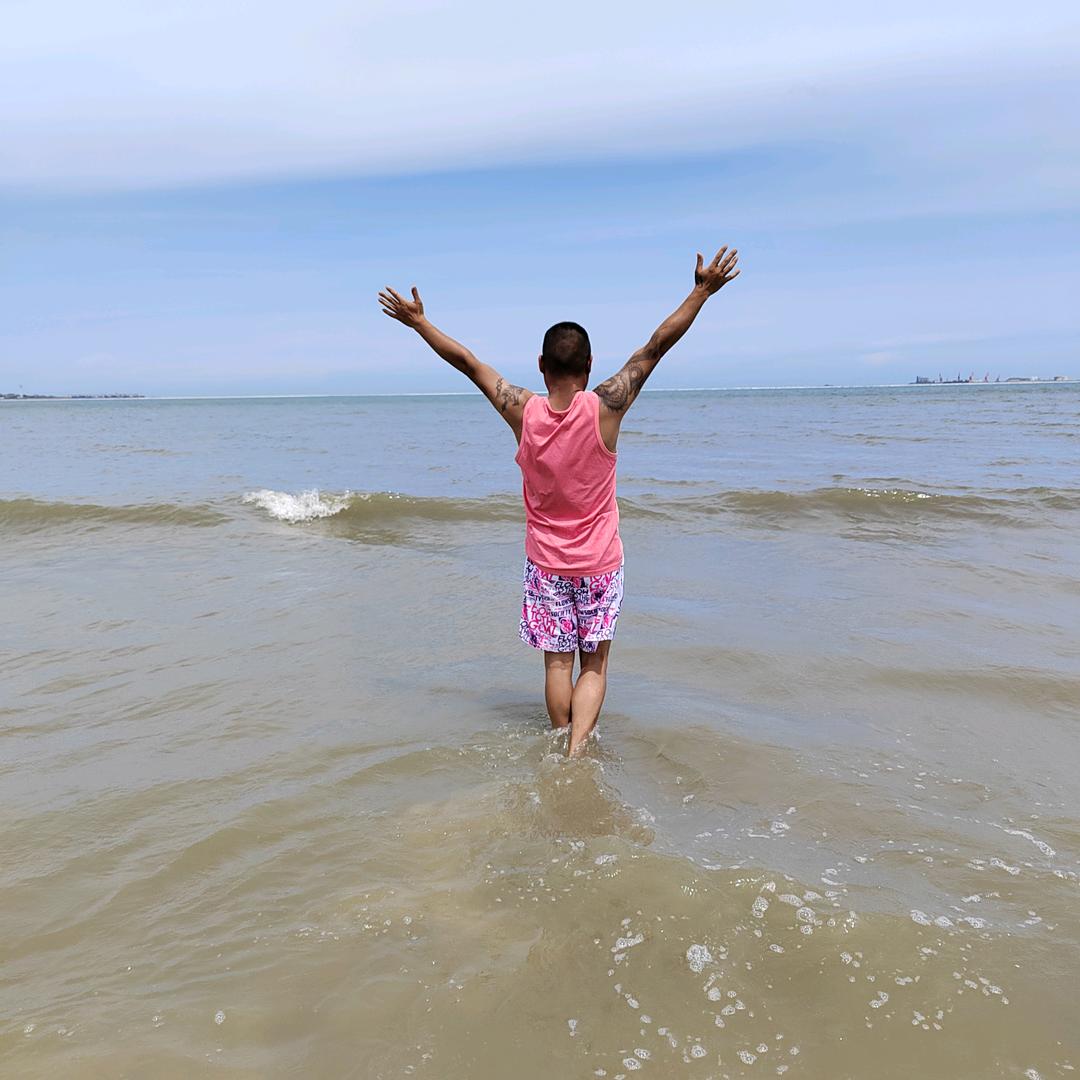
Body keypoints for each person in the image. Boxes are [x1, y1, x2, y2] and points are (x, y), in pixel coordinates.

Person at [378, 246, 741, 754]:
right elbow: (657, 345)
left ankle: (558, 743)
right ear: (590, 366)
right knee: (595, 664)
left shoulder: (522, 411)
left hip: (547, 563)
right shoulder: (607, 407)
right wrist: (701, 292)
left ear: (541, 365)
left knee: (556, 664)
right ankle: (577, 750)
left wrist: (419, 323)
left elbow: (468, 363)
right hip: (600, 562)